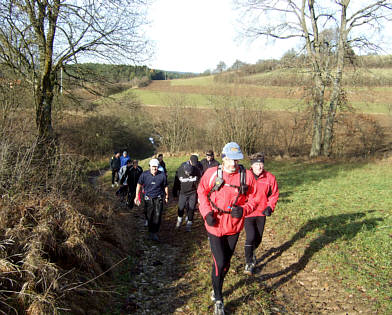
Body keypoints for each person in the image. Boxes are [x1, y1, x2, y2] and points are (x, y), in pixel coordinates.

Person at [197, 142, 259, 315]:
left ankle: (216, 286)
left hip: (234, 225)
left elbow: (255, 197)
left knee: (227, 263)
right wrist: (206, 213)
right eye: (230, 160)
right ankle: (218, 298)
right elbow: (201, 192)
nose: (233, 164)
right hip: (214, 224)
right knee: (220, 261)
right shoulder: (212, 173)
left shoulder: (246, 176)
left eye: (237, 160)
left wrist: (245, 209)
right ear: (223, 159)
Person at [243, 153, 279, 275]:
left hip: (261, 212)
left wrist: (270, 207)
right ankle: (248, 263)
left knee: (257, 239)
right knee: (250, 236)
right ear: (251, 165)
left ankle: (252, 252)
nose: (259, 166)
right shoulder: (245, 176)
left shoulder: (270, 178)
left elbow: (274, 195)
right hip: (248, 212)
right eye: (256, 164)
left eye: (261, 163)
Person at [134, 158, 169, 242]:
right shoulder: (144, 175)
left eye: (156, 167)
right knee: (149, 215)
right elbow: (139, 184)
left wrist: (167, 196)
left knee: (157, 215)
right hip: (148, 197)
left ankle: (154, 233)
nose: (154, 169)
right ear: (150, 167)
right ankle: (150, 231)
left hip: (158, 197)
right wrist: (136, 196)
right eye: (153, 167)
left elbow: (165, 186)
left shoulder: (162, 175)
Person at [172, 156, 202, 232]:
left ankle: (189, 224)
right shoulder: (180, 170)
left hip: (192, 192)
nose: (189, 174)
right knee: (181, 208)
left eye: (190, 173)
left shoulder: (197, 171)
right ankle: (179, 221)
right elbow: (176, 183)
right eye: (187, 173)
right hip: (183, 192)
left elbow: (200, 183)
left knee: (191, 209)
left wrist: (200, 195)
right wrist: (175, 193)